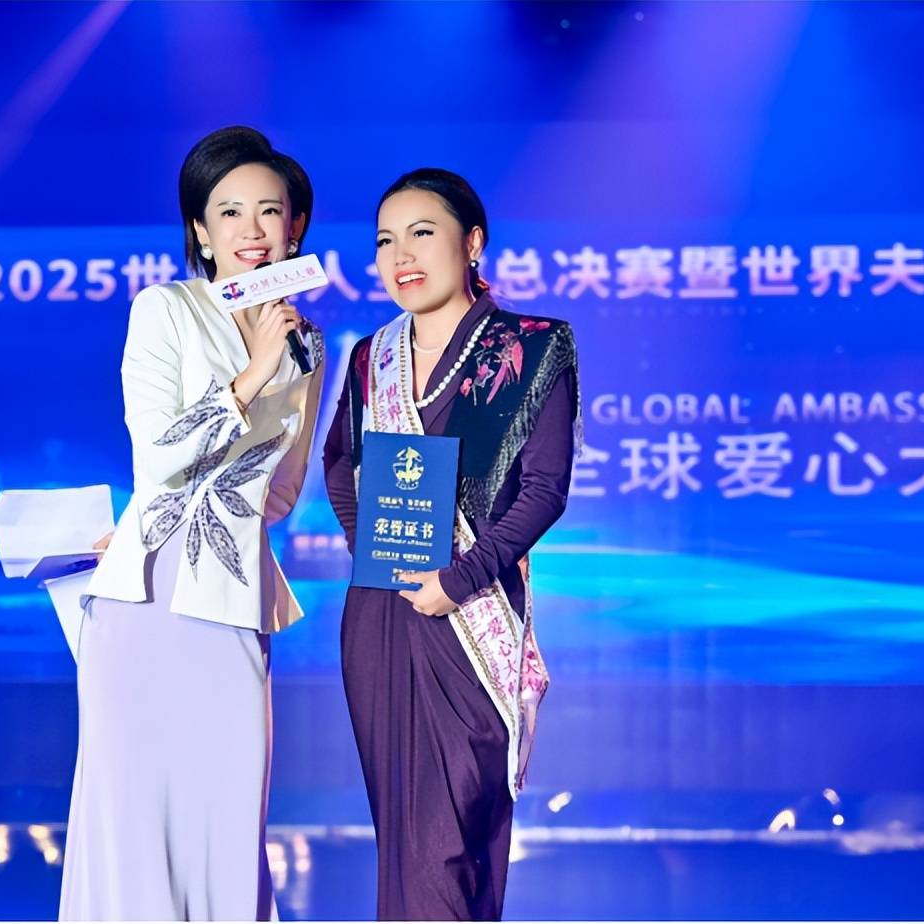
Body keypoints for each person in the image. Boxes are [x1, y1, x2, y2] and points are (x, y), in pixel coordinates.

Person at [61, 126, 324, 921]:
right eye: (229, 212)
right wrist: (252, 374)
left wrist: (278, 366)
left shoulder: (306, 345)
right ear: (201, 232)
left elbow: (280, 492)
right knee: (135, 808)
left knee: (228, 810)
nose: (251, 229)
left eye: (269, 210)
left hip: (234, 588)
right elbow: (157, 455)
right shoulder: (166, 309)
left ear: (294, 229)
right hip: (148, 596)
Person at [321, 168, 578, 920]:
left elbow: (544, 490)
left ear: (472, 243)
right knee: (407, 837)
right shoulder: (373, 356)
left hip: (471, 614)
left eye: (421, 233)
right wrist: (378, 550)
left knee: (455, 834)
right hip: (383, 616)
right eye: (385, 241)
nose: (400, 254)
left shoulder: (534, 346)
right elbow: (339, 462)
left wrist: (457, 580)